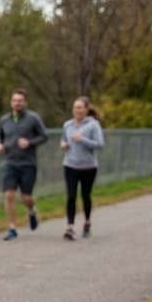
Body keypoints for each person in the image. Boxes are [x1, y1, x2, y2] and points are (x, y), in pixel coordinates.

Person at [0, 89, 49, 241]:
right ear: (11, 102)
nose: (17, 103)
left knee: (26, 197)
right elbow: (0, 138)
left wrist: (29, 143)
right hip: (10, 162)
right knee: (9, 195)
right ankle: (12, 228)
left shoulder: (33, 118)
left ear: (25, 102)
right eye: (14, 100)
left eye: (20, 100)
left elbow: (44, 136)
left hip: (27, 163)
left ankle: (32, 211)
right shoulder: (4, 120)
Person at [59, 97, 105, 241]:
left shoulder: (93, 125)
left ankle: (87, 222)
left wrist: (82, 140)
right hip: (70, 165)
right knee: (71, 196)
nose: (77, 110)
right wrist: (63, 145)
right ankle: (70, 227)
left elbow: (100, 144)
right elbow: (64, 139)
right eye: (75, 108)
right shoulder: (67, 125)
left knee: (85, 196)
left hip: (88, 167)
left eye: (79, 107)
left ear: (86, 109)